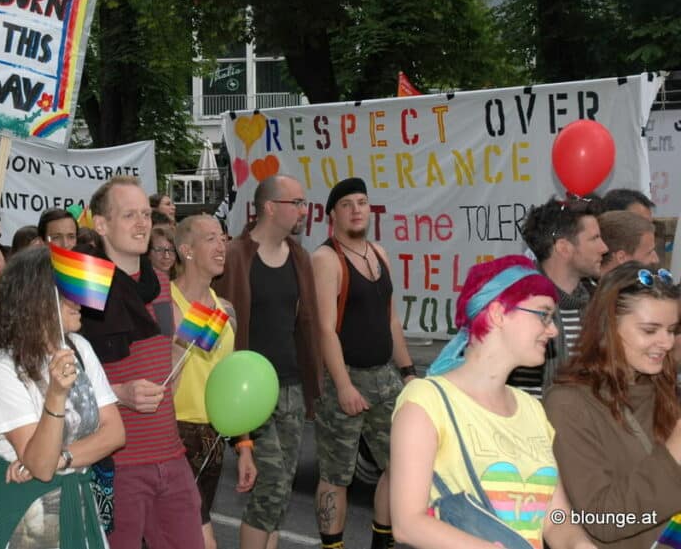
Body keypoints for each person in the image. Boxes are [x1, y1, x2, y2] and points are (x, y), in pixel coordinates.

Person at [390, 255, 597, 549]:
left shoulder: (532, 409)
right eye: (544, 315)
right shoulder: (426, 401)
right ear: (499, 313)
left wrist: (579, 544)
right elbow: (408, 524)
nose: (553, 330)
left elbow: (555, 519)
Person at [77, 176, 204, 549]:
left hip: (171, 456)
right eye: (129, 214)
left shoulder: (162, 283)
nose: (142, 223)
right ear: (101, 225)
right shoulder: (80, 288)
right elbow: (58, 379)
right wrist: (118, 393)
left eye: (145, 214)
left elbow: (168, 354)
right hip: (116, 462)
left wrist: (190, 340)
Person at [0, 248, 126, 548]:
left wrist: (61, 458)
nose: (80, 300)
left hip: (76, 498)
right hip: (25, 513)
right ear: (39, 300)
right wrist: (55, 394)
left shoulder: (80, 347)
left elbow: (116, 433)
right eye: (68, 290)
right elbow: (40, 466)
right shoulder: (3, 368)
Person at [212, 174, 321, 549]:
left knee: (279, 490)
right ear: (271, 207)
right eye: (298, 203)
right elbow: (217, 328)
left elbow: (306, 326)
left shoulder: (300, 257)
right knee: (271, 485)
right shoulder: (233, 257)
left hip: (289, 389)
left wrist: (313, 388)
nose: (304, 211)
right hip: (248, 393)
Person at [544, 263, 681, 549]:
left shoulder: (664, 389)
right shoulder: (569, 404)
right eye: (650, 330)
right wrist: (673, 455)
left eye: (672, 329)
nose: (666, 342)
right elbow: (604, 521)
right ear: (608, 327)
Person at [312, 177, 416, 549]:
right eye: (346, 204)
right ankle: (333, 545)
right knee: (337, 474)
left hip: (384, 377)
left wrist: (407, 373)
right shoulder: (325, 259)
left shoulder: (380, 254)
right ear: (333, 215)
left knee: (400, 463)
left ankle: (381, 540)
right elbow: (325, 329)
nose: (356, 209)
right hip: (345, 378)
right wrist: (343, 386)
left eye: (362, 202)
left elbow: (391, 320)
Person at [171, 215, 256, 549]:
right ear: (187, 250)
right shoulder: (163, 304)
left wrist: (244, 447)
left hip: (213, 439)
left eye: (223, 237)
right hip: (171, 436)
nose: (222, 245)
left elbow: (232, 384)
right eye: (210, 238)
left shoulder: (226, 310)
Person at [512, 197, 607, 397]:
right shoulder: (523, 308)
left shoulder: (597, 304)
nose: (604, 248)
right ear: (564, 247)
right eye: (594, 239)